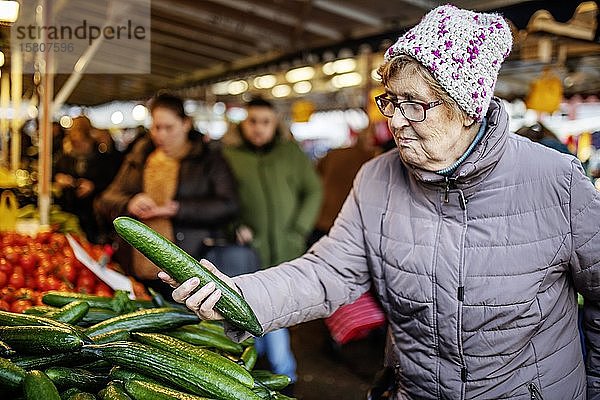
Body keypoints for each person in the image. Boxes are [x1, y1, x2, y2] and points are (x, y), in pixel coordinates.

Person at [160, 5, 600, 399]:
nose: (396, 121)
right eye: (391, 101)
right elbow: (329, 272)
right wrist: (242, 295)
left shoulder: (555, 180)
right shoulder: (376, 179)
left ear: (469, 108)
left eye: (415, 104)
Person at [221, 97, 323, 391]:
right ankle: (278, 373)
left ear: (275, 123)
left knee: (275, 312)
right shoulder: (230, 155)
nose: (258, 128)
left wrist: (300, 230)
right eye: (253, 121)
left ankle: (279, 374)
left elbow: (313, 189)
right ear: (244, 123)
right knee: (256, 309)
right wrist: (235, 226)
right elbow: (225, 200)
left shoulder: (291, 152)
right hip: (251, 252)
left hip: (287, 249)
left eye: (265, 122)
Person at [95, 93, 239, 297]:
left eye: (168, 127)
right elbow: (105, 199)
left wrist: (178, 209)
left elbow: (229, 205)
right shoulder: (139, 157)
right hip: (138, 270)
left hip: (191, 269)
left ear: (186, 124)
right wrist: (129, 202)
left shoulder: (208, 159)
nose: (160, 135)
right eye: (156, 127)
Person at [53, 116, 119, 242]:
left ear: (88, 137)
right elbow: (55, 174)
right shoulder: (65, 157)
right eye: (75, 142)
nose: (79, 145)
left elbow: (112, 182)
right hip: (69, 210)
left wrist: (93, 186)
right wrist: (60, 179)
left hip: (93, 216)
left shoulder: (102, 157)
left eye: (82, 141)